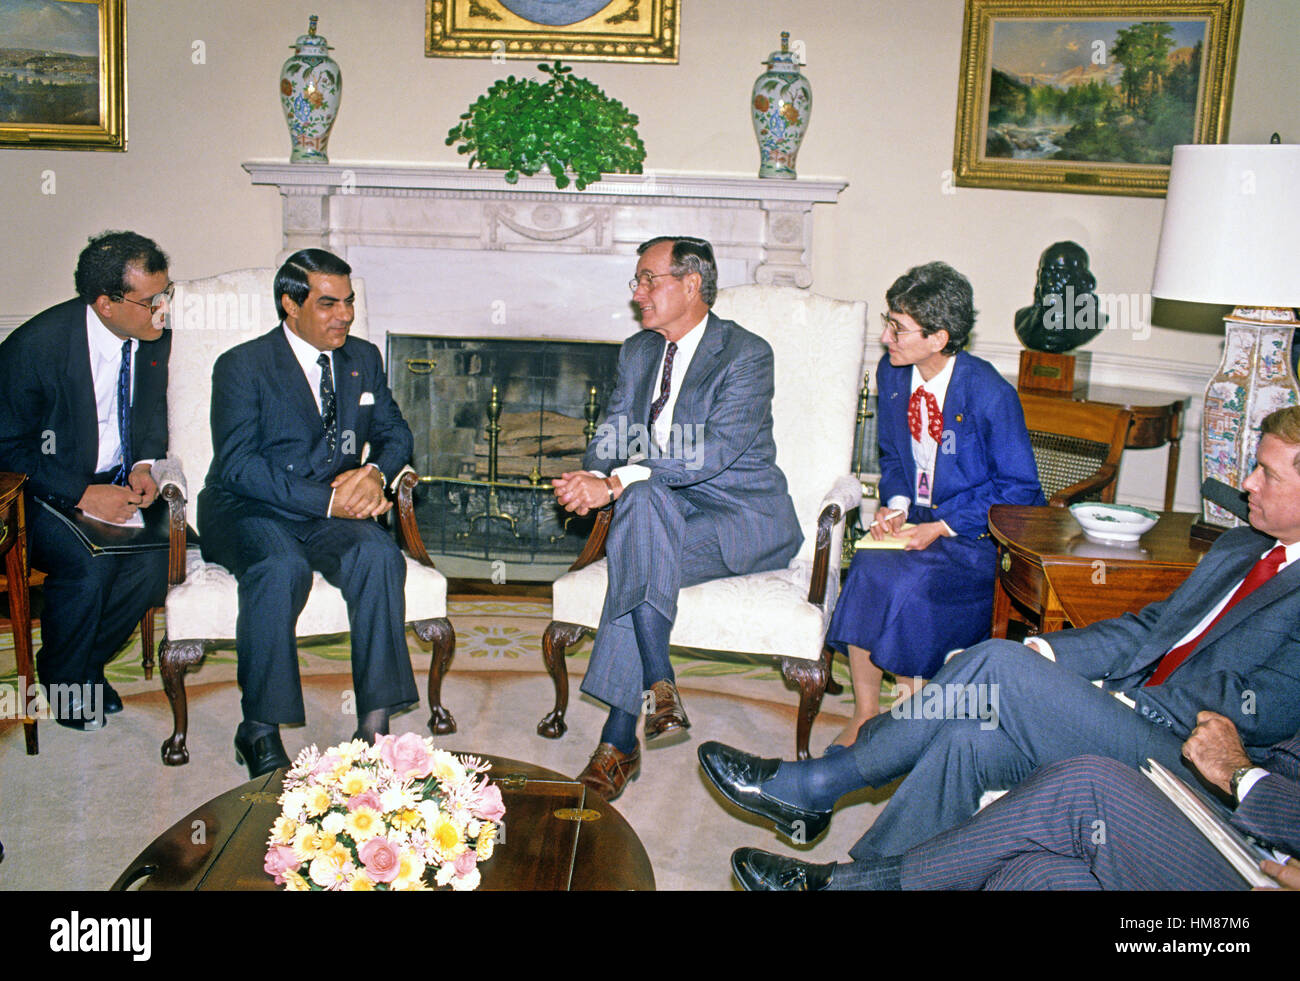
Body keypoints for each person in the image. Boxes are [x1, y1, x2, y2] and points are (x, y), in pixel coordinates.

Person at [699, 405, 1300, 858]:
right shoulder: (1244, 544)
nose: (1246, 483)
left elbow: (1262, 711)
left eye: (1266, 475)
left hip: (1200, 762)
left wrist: (1110, 699)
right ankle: (865, 875)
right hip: (1138, 712)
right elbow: (1150, 630)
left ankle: (823, 780)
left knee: (998, 665)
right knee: (971, 738)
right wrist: (1047, 648)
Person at [552, 236, 803, 800]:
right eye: (636, 281)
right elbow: (615, 430)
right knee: (641, 511)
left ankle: (619, 739)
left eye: (649, 279)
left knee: (634, 539)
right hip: (663, 511)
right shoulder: (638, 350)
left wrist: (614, 483)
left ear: (692, 285)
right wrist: (590, 478)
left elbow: (711, 452)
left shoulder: (746, 354)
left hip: (740, 518)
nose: (637, 293)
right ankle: (656, 685)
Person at [198, 249, 418, 778]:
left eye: (348, 302)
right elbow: (239, 466)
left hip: (327, 513)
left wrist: (375, 475)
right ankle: (259, 728)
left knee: (379, 556)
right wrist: (327, 501)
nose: (343, 315)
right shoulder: (241, 366)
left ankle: (373, 725)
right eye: (327, 304)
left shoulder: (362, 357)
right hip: (249, 508)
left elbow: (396, 433)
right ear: (289, 304)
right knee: (281, 568)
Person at [825, 262, 1042, 747]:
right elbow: (893, 456)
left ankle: (907, 724)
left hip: (979, 536)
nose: (885, 337)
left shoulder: (989, 394)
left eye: (897, 328)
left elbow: (1020, 488)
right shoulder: (895, 373)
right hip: (922, 520)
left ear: (939, 338)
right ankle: (864, 712)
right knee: (865, 565)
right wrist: (897, 505)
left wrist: (942, 526)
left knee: (910, 583)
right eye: (888, 321)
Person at [731, 711, 1300, 890]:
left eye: (1266, 473)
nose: (1246, 483)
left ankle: (852, 877)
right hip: (1253, 843)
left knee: (1086, 786)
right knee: (1029, 874)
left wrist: (1241, 776)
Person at [0, 231, 172, 730]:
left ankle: (77, 664)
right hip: (41, 488)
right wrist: (80, 493)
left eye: (166, 294)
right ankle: (71, 681)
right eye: (150, 300)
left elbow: (152, 411)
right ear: (106, 304)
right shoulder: (37, 348)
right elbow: (7, 445)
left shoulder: (152, 335)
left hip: (118, 479)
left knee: (161, 554)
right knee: (89, 565)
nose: (162, 310)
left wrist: (143, 463)